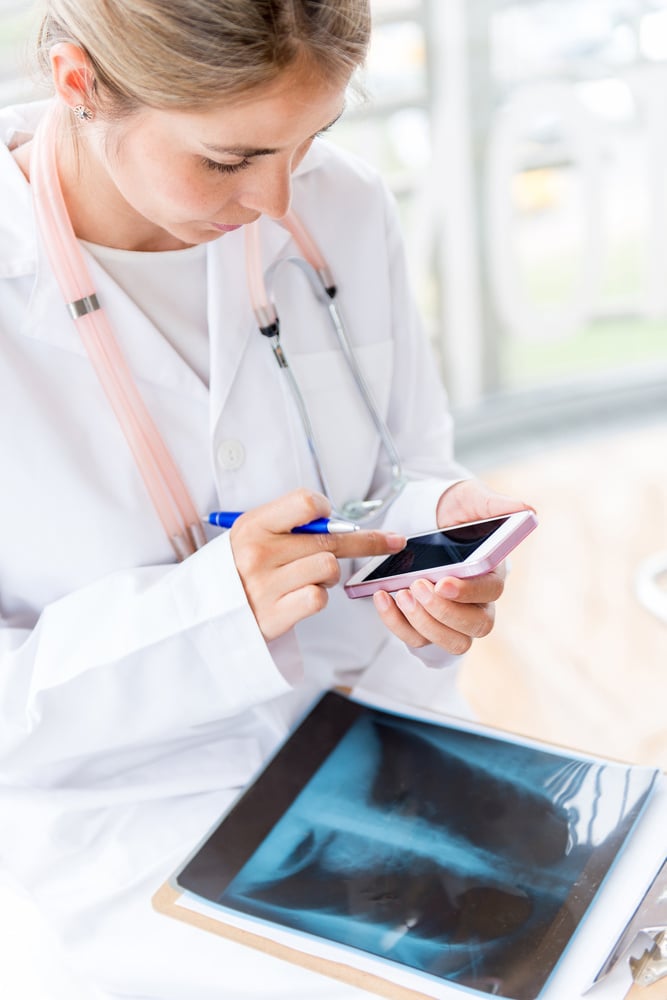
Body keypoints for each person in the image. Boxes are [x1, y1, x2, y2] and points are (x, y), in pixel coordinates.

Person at [0, 1, 532, 997]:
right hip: (117, 819)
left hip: (377, 748)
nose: (280, 194)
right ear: (79, 85)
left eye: (310, 140)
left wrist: (435, 535)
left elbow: (400, 465)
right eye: (229, 157)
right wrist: (209, 613)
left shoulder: (343, 207)